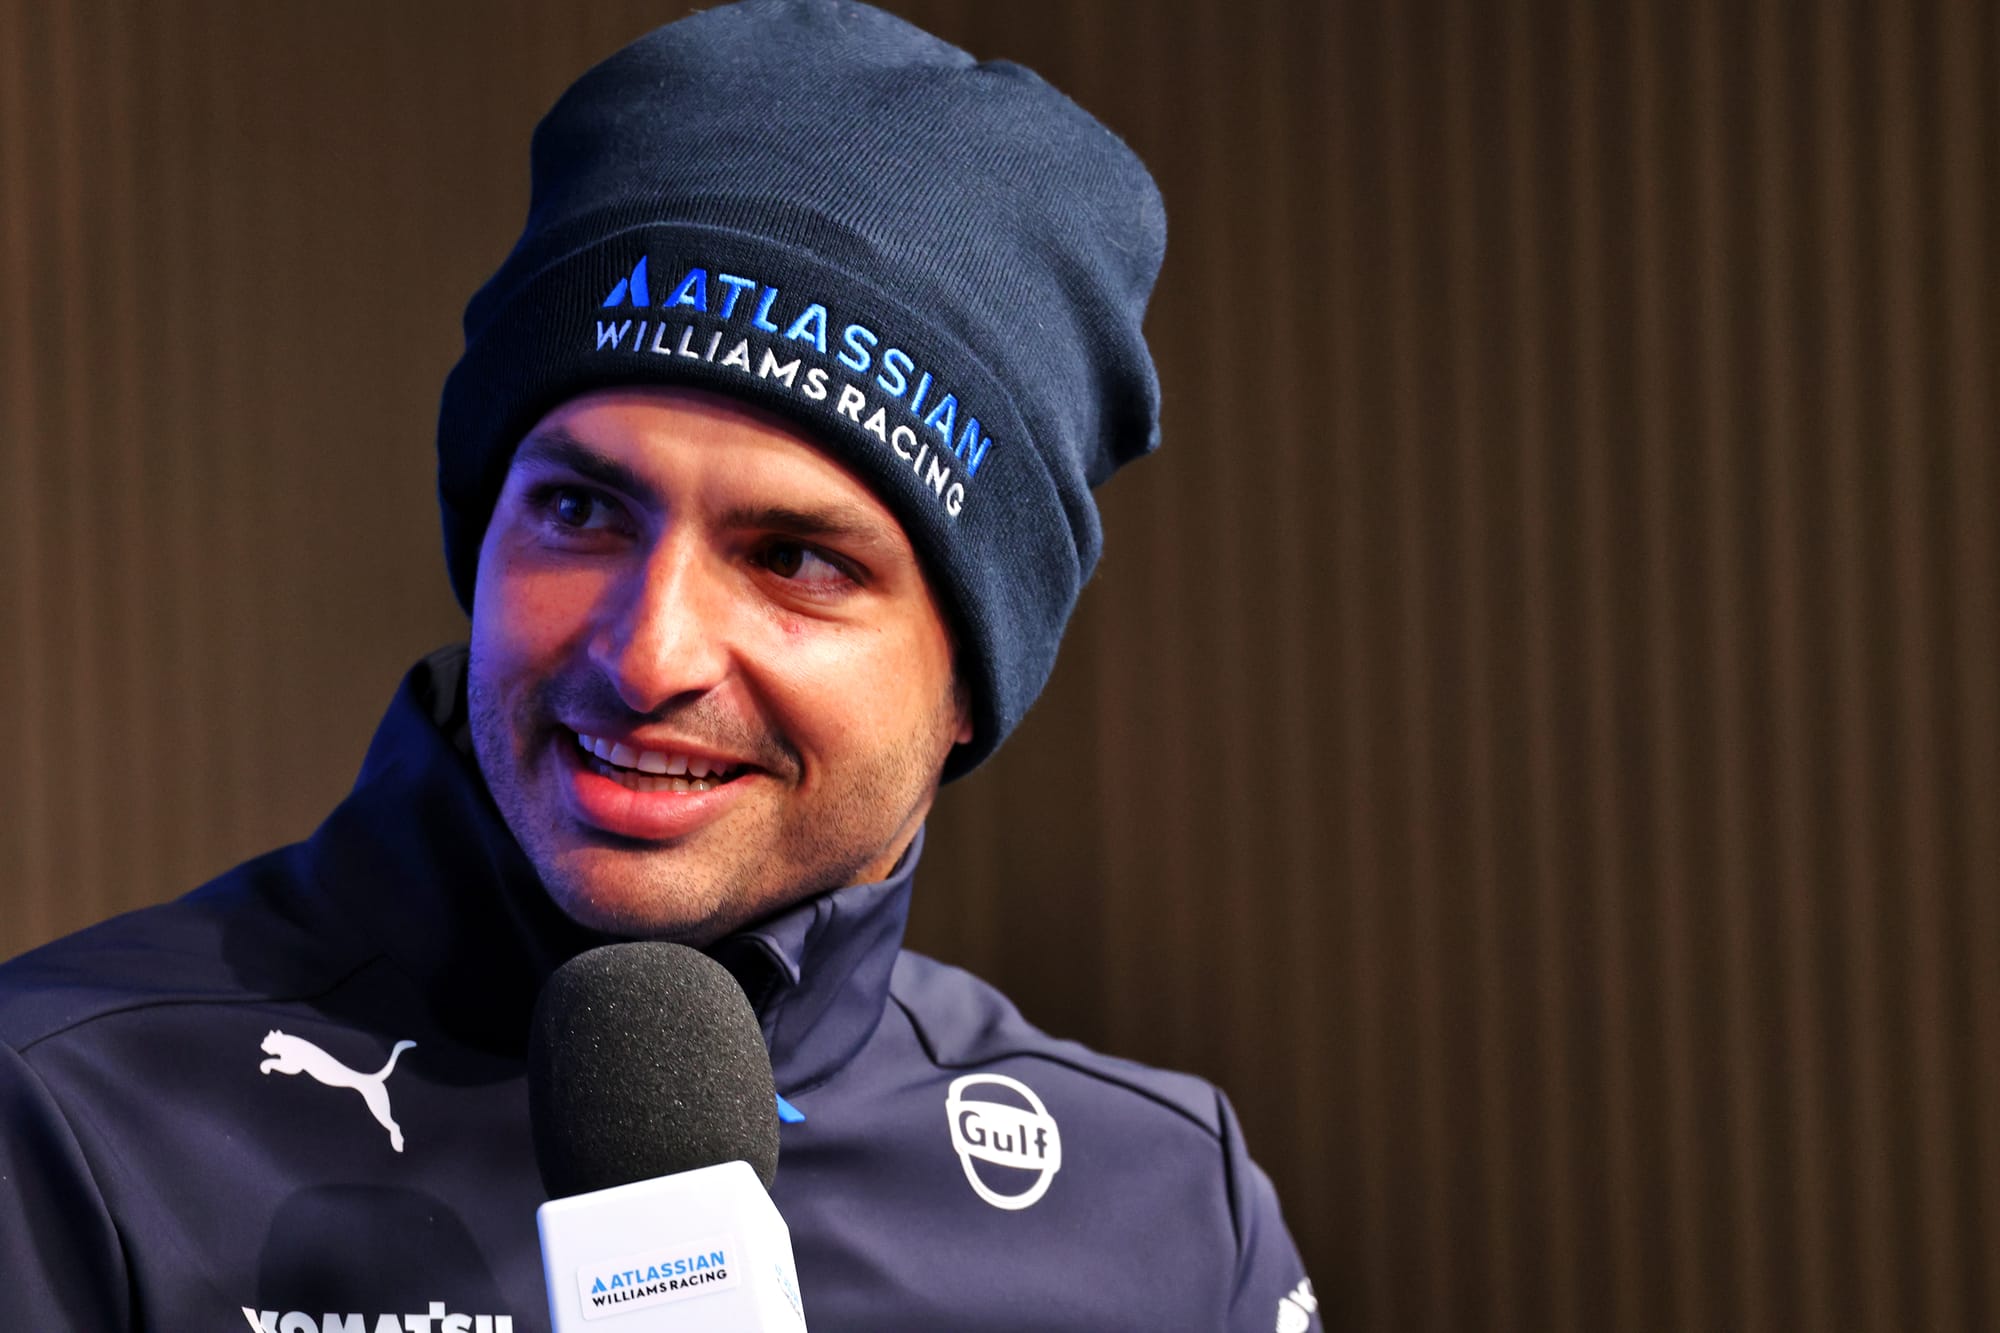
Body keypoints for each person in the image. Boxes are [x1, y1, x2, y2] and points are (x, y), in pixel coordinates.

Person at [0, 3, 1321, 1329]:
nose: (648, 655)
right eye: (581, 510)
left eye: (795, 558)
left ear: (974, 678)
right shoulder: (64, 1121)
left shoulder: (1165, 1224)